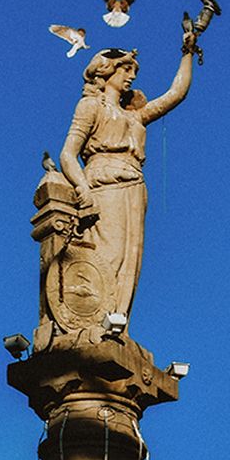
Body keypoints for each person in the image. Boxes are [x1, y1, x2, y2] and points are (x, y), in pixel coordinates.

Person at [57, 29, 195, 323]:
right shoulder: (91, 106)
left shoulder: (136, 115)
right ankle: (95, 320)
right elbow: (68, 154)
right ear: (107, 71)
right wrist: (83, 189)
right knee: (109, 255)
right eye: (125, 69)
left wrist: (187, 52)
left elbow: (176, 94)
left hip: (134, 186)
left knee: (131, 261)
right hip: (105, 185)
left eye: (133, 71)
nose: (131, 76)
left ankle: (118, 322)